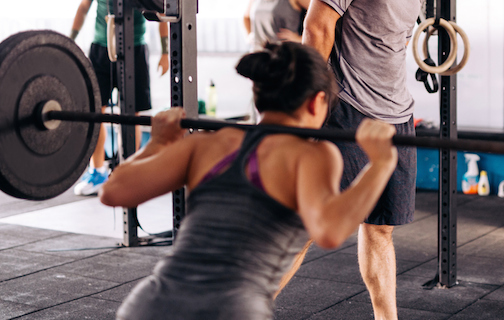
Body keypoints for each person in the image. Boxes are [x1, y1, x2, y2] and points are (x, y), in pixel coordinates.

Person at [99, 42, 399, 320]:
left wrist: (158, 143)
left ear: (258, 97)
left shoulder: (207, 143)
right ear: (317, 101)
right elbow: (330, 232)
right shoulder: (312, 155)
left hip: (149, 306)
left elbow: (113, 191)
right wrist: (380, 164)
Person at [301, 0, 466, 319]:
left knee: (380, 230)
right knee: (303, 226)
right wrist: (308, 108)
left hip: (397, 119)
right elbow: (318, 28)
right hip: (349, 112)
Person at [70, 0, 169, 196]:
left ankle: (129, 171)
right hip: (100, 49)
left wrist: (166, 51)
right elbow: (83, 7)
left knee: (131, 115)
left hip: (134, 49)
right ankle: (98, 171)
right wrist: (70, 40)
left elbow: (161, 11)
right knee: (95, 112)